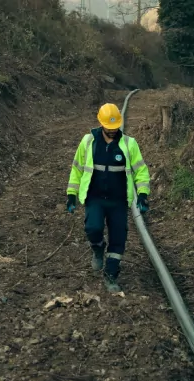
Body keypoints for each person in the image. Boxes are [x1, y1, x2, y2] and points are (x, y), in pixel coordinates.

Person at [65, 103, 150, 293]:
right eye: (109, 127)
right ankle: (97, 249)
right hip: (95, 198)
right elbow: (77, 168)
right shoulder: (88, 142)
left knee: (118, 238)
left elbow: (141, 171)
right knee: (93, 228)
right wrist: (71, 194)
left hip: (118, 201)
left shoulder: (129, 144)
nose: (112, 131)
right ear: (101, 124)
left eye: (115, 127)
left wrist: (143, 195)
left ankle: (111, 275)